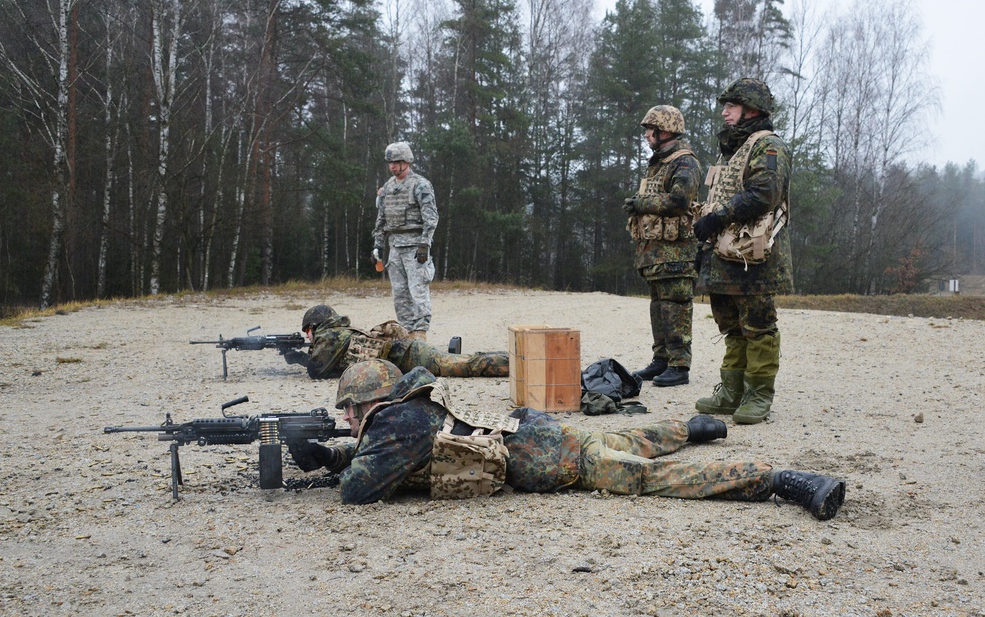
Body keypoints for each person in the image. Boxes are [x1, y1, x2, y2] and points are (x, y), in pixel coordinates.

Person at [289, 359, 847, 521]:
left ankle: (782, 480)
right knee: (623, 435)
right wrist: (335, 453)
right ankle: (697, 427)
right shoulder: (414, 410)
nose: (347, 419)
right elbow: (395, 458)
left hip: (562, 461)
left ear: (369, 405)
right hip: (546, 432)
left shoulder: (394, 424)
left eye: (349, 413)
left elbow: (360, 491)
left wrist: (340, 464)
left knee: (645, 475)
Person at [692, 78, 792, 425]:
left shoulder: (768, 146)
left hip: (755, 257)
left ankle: (759, 394)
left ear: (751, 110)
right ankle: (732, 391)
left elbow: (764, 193)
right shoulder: (732, 150)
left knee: (758, 325)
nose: (724, 112)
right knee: (731, 326)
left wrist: (719, 215)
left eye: (731, 106)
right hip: (724, 255)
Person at [624, 105, 702, 388]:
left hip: (677, 254)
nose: (646, 135)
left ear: (664, 130)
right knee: (658, 307)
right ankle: (661, 360)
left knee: (676, 307)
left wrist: (640, 203)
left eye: (650, 129)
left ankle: (679, 365)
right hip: (656, 254)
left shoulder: (685, 162)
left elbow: (680, 200)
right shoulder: (660, 162)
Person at [282, 304, 508, 380]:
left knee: (462, 365)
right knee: (459, 361)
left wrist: (299, 358)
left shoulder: (330, 336)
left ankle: (515, 363)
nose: (307, 337)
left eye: (307, 331)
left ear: (316, 325)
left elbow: (317, 370)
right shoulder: (335, 334)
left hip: (409, 354)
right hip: (408, 354)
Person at [372, 142, 439, 340]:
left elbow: (431, 218)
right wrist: (377, 245)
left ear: (406, 161)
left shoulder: (421, 185)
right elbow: (381, 220)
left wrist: (424, 244)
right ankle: (406, 334)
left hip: (415, 247)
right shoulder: (387, 189)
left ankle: (420, 334)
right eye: (390, 162)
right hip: (395, 248)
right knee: (400, 294)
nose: (393, 166)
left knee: (418, 291)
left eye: (397, 162)